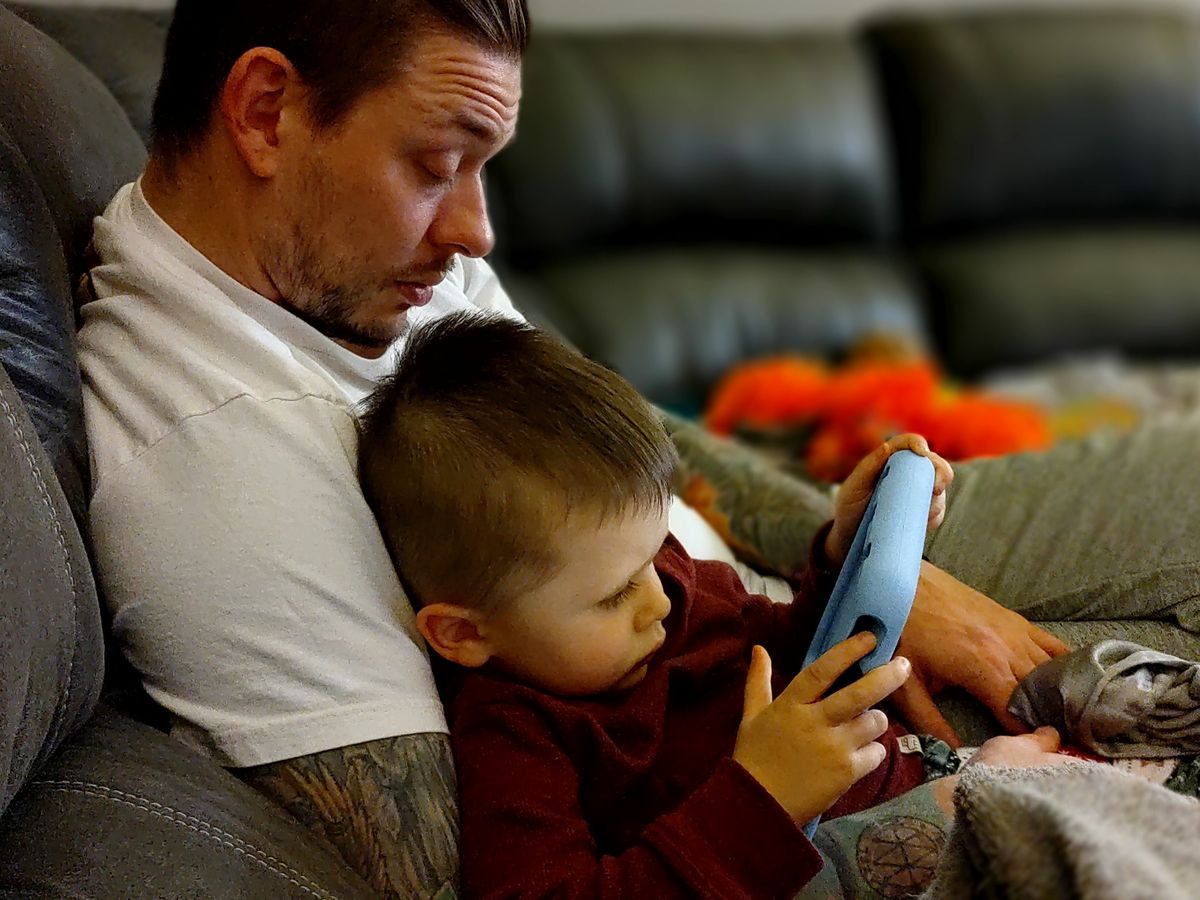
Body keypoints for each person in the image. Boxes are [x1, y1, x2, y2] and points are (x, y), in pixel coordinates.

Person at [77, 0, 1200, 895]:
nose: (477, 232)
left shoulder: (365, 271)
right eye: (435, 162)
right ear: (266, 111)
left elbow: (635, 436)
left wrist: (849, 553)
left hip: (792, 618)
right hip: (790, 774)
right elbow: (463, 875)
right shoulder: (220, 476)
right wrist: (903, 792)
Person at [355, 312, 1071, 898]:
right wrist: (760, 796)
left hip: (917, 775)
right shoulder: (517, 737)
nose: (658, 599)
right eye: (613, 595)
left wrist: (844, 554)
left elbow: (784, 648)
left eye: (655, 552)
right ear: (463, 633)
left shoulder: (665, 583)